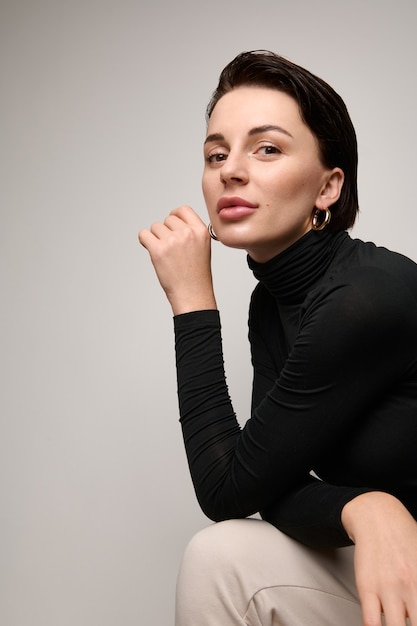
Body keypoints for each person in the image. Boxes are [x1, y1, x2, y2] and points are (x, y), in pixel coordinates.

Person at [138, 50, 417, 626]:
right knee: (224, 557)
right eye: (217, 153)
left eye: (267, 148)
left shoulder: (367, 298)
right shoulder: (273, 303)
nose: (230, 170)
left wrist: (192, 302)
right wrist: (364, 509)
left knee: (221, 551)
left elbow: (229, 486)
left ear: (328, 187)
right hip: (393, 568)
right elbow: (258, 484)